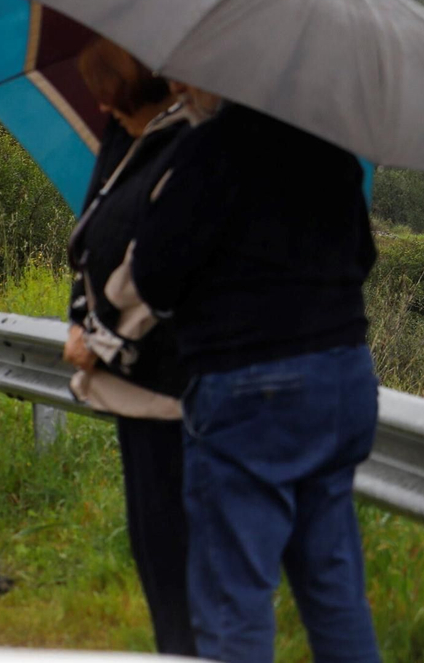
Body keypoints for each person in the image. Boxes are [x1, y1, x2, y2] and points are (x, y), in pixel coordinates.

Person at [126, 91, 380, 663]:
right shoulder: (333, 151)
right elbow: (362, 257)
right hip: (344, 382)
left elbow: (154, 276)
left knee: (232, 600)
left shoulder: (210, 150)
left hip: (251, 389)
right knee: (335, 593)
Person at [61, 38, 197, 656]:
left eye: (115, 100)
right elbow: (91, 234)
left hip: (169, 384)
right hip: (135, 384)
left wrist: (97, 338)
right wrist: (76, 319)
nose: (106, 112)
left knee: (175, 550)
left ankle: (187, 650)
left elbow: (155, 263)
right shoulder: (131, 141)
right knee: (154, 545)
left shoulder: (187, 145)